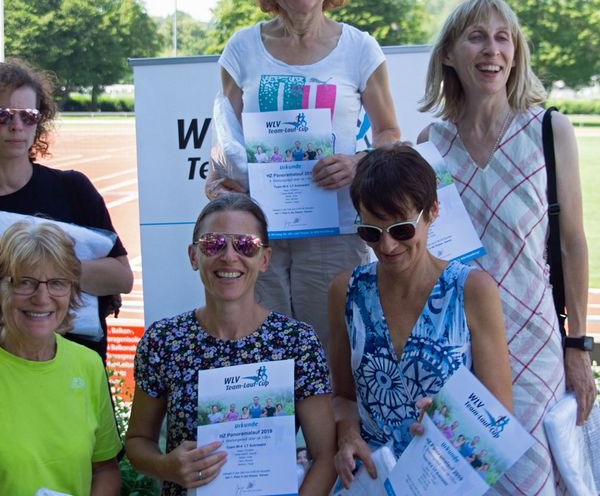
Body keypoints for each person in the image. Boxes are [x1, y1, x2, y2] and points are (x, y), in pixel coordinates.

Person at [418, 0, 596, 494]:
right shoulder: (430, 143)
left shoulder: (548, 130)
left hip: (534, 340)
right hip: (455, 341)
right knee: (460, 477)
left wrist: (578, 347)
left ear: (515, 53)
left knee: (532, 474)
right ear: (450, 54)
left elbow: (572, 245)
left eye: (502, 38)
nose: (491, 49)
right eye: (476, 36)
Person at [206, 0, 400, 352]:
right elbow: (227, 138)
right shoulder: (241, 49)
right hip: (260, 234)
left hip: (335, 231)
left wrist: (356, 163)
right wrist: (217, 178)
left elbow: (389, 132)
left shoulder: (360, 48)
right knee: (263, 351)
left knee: (334, 355)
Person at [125, 193, 336, 495]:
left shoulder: (296, 343)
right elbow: (137, 442)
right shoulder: (165, 341)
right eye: (213, 244)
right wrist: (165, 467)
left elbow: (325, 456)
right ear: (193, 256)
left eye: (245, 245)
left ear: (264, 259)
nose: (229, 256)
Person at [328, 145, 512, 489]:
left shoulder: (471, 290)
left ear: (433, 211)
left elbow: (499, 415)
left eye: (401, 230)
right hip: (371, 478)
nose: (386, 246)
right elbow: (342, 397)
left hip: (446, 479)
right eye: (370, 231)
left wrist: (451, 419)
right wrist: (348, 435)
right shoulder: (345, 291)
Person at [0, 58, 133, 362]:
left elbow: (121, 278)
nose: (16, 126)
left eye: (28, 116)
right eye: (3, 115)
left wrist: (32, 271)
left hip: (74, 366)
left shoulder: (72, 189)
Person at [0, 221, 121, 494]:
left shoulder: (87, 365)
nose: (42, 298)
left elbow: (104, 467)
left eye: (57, 283)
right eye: (25, 282)